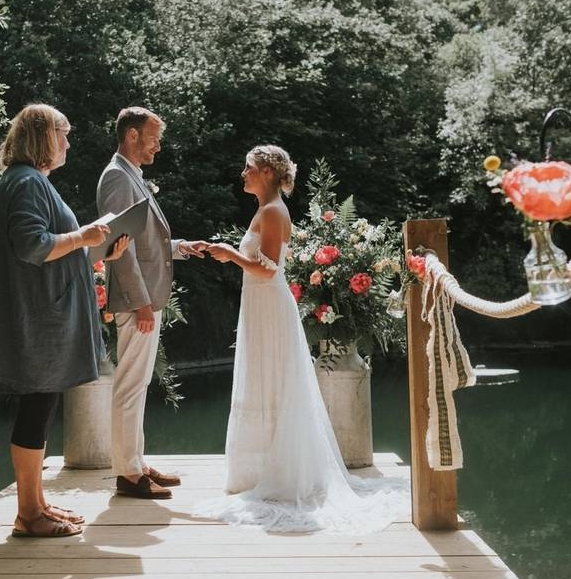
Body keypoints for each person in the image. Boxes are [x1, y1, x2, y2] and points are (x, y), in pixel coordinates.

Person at [199, 145, 407, 532]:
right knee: (262, 380)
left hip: (269, 303)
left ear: (266, 171)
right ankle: (257, 469)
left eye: (248, 168)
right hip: (259, 306)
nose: (242, 173)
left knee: (274, 380)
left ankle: (279, 471)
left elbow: (269, 270)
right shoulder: (266, 210)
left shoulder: (275, 211)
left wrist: (230, 254)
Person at [0, 103, 128, 537]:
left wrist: (94, 250)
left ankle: (38, 503)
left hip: (43, 315)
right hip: (38, 319)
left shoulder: (32, 181)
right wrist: (84, 236)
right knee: (36, 408)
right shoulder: (26, 182)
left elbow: (52, 245)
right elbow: (32, 246)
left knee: (40, 408)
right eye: (63, 132)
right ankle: (28, 514)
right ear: (42, 135)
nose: (68, 141)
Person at [95, 107, 210, 499]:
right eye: (153, 137)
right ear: (131, 134)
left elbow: (148, 242)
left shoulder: (131, 175)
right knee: (130, 384)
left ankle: (136, 462)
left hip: (144, 296)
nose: (158, 145)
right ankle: (127, 475)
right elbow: (120, 246)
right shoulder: (116, 176)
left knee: (139, 382)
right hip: (136, 299)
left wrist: (180, 247)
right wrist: (142, 302)